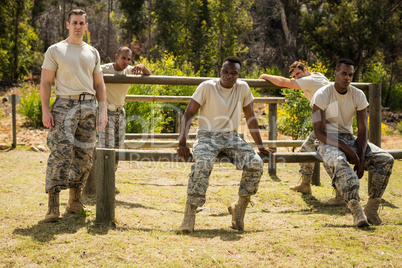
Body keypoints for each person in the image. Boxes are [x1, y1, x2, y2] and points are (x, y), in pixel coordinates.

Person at [177, 56, 275, 233]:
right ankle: (189, 214)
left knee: (255, 163)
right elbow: (187, 115)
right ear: (220, 71)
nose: (229, 76)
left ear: (238, 75)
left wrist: (260, 147)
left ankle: (239, 207)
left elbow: (251, 117)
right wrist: (182, 143)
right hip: (207, 136)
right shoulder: (207, 87)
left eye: (233, 73)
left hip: (231, 137)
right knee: (203, 164)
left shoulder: (243, 88)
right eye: (226, 71)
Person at [40, 9, 107, 222]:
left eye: (81, 23)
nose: (78, 26)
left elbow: (99, 84)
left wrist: (103, 110)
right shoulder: (56, 50)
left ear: (86, 26)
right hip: (64, 106)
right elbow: (46, 82)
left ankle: (75, 200)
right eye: (74, 23)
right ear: (67, 25)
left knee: (84, 155)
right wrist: (45, 110)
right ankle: (52, 206)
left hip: (89, 106)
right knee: (60, 154)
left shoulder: (93, 52)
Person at [311, 59, 394, 227]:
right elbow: (319, 131)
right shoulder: (321, 94)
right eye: (343, 73)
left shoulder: (358, 95)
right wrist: (345, 148)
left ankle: (371, 208)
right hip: (328, 140)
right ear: (335, 73)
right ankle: (356, 210)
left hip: (349, 138)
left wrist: (361, 158)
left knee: (386, 159)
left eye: (350, 75)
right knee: (340, 162)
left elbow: (363, 130)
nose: (347, 78)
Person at [259, 62, 345, 206]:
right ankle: (305, 184)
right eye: (294, 76)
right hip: (328, 121)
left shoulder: (310, 80)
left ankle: (341, 194)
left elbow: (284, 82)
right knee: (306, 149)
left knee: (328, 155)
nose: (297, 78)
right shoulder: (318, 76)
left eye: (298, 74)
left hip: (330, 124)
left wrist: (264, 76)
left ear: (306, 70)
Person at [99, 46, 152, 170]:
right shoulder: (103, 69)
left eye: (129, 59)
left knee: (119, 147)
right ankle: (102, 180)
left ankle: (111, 179)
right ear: (116, 57)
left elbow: (150, 77)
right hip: (106, 112)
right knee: (106, 146)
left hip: (120, 112)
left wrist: (143, 67)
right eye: (123, 58)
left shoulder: (130, 70)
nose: (126, 62)